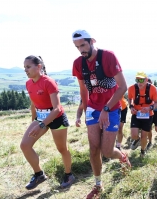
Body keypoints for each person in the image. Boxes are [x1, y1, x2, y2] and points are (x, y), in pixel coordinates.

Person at [72, 29, 131, 198]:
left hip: (111, 107)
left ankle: (122, 157)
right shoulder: (78, 63)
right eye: (77, 47)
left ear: (92, 41)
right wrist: (83, 111)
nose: (81, 50)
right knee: (93, 148)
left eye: (83, 45)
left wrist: (106, 109)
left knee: (106, 151)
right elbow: (83, 89)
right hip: (92, 108)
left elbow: (122, 87)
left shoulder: (108, 57)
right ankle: (98, 184)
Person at [21, 55, 75, 190]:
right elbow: (33, 104)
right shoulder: (28, 83)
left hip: (56, 118)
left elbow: (57, 108)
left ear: (38, 66)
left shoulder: (48, 82)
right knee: (25, 146)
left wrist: (41, 124)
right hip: (41, 118)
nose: (25, 70)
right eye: (24, 68)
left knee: (62, 149)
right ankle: (39, 174)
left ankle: (69, 175)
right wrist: (34, 121)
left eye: (28, 67)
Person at [128, 72, 157, 157]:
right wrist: (131, 107)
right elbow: (129, 98)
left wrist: (149, 108)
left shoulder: (152, 88)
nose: (139, 82)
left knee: (144, 136)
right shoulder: (131, 88)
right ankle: (137, 140)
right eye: (137, 80)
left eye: (141, 80)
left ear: (146, 80)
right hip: (136, 113)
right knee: (133, 135)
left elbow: (156, 103)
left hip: (148, 115)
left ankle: (142, 151)